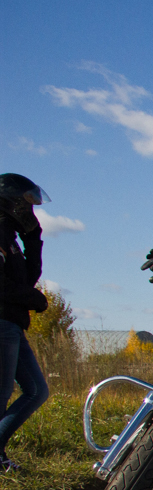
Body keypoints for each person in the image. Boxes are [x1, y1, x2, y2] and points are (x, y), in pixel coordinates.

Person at [0, 174, 51, 472]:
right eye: (27, 204)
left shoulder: (12, 239)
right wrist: (33, 299)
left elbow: (28, 278)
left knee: (36, 391)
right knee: (3, 394)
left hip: (12, 325)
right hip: (2, 322)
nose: (30, 212)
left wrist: (33, 240)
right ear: (11, 201)